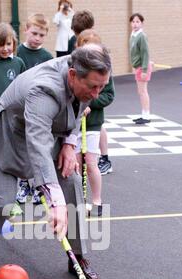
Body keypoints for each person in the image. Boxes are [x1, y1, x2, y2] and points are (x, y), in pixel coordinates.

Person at [0, 45, 112, 279]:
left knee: (70, 183)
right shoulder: (44, 90)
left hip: (47, 132)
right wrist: (55, 202)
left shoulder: (84, 69)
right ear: (72, 75)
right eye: (93, 86)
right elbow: (37, 145)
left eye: (102, 86)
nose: (96, 93)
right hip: (5, 137)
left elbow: (77, 110)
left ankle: (77, 258)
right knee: (3, 202)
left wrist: (70, 144)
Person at [75, 30, 115, 217]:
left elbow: (108, 95)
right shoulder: (77, 69)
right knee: (75, 163)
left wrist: (90, 103)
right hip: (74, 123)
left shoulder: (104, 70)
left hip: (92, 124)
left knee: (91, 162)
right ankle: (75, 200)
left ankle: (97, 200)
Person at [68, 9, 112, 175]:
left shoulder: (100, 54)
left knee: (99, 129)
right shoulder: (74, 54)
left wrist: (90, 101)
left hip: (93, 117)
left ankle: (105, 157)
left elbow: (108, 93)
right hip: (78, 115)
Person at [16, 13, 53, 205]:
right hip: (21, 107)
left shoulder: (47, 57)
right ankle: (24, 185)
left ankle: (40, 186)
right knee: (22, 149)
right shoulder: (17, 53)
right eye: (34, 33)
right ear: (26, 30)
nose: (37, 38)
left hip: (40, 109)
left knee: (38, 148)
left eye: (41, 35)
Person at [129, 13, 152, 125]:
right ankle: (143, 113)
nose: (135, 24)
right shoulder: (133, 34)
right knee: (141, 91)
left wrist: (144, 70)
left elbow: (145, 53)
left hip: (142, 68)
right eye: (133, 22)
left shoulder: (141, 36)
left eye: (137, 22)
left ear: (142, 23)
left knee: (143, 91)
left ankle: (146, 115)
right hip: (138, 67)